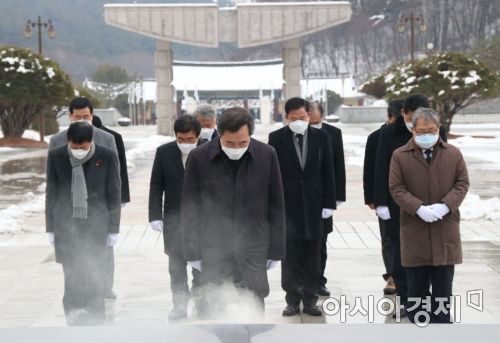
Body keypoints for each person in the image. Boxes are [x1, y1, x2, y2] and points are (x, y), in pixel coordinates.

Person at [181, 107, 286, 318]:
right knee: (214, 309)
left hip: (253, 249)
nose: (236, 148)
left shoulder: (267, 155)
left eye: (242, 143)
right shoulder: (199, 158)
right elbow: (189, 208)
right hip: (214, 249)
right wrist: (192, 252)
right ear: (219, 134)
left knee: (252, 308)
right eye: (230, 143)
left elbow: (276, 205)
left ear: (250, 135)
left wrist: (276, 249)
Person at [389, 108, 469, 324]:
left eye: (432, 130)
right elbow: (396, 188)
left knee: (443, 295)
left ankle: (442, 330)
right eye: (422, 131)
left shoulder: (453, 153)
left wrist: (446, 206)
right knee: (417, 295)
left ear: (438, 129)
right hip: (415, 230)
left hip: (445, 230)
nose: (427, 135)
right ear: (413, 130)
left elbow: (462, 183)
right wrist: (418, 208)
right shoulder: (400, 156)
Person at [374, 94, 447, 317]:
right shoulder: (388, 133)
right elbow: (380, 168)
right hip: (399, 203)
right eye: (411, 116)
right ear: (404, 114)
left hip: (431, 203)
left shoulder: (437, 134)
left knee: (429, 255)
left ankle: (430, 301)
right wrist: (380, 201)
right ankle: (406, 299)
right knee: (399, 253)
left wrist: (442, 203)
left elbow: (445, 165)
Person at [45, 122, 121, 326]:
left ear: (91, 142)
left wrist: (113, 228)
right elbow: (51, 193)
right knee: (72, 276)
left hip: (97, 225)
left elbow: (114, 193)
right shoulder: (56, 155)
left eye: (83, 147)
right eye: (75, 147)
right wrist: (50, 228)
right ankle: (73, 318)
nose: (78, 151)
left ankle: (96, 319)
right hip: (66, 226)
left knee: (94, 274)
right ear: (68, 141)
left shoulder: (106, 156)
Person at [268, 97, 336, 317]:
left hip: (315, 205)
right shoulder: (276, 138)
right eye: (294, 118)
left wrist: (329, 203)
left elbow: (329, 171)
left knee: (313, 256)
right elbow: (272, 173)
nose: (299, 121)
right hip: (288, 206)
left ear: (309, 115)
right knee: (290, 256)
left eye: (303, 117)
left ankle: (310, 300)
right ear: (286, 117)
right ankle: (292, 299)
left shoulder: (322, 137)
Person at [148, 115, 205, 321]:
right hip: (174, 219)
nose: (185, 143)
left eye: (190, 139)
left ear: (198, 136)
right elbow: (156, 185)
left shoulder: (209, 150)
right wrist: (155, 215)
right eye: (181, 139)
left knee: (201, 268)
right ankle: (180, 306)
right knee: (176, 267)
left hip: (202, 221)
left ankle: (201, 303)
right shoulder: (164, 152)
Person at [363, 99, 403, 295]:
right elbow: (370, 169)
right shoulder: (376, 137)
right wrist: (372, 198)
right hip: (385, 197)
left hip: (408, 198)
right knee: (388, 239)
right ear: (389, 117)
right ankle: (392, 277)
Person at [308, 101, 346, 297]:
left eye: (316, 122)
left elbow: (338, 165)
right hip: (302, 199)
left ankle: (319, 280)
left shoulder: (333, 134)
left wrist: (336, 197)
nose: (312, 126)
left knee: (321, 243)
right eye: (310, 122)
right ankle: (302, 283)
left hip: (324, 197)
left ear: (321, 117)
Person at [92, 115, 130, 300]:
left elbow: (120, 167)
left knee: (106, 247)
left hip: (105, 200)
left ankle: (106, 285)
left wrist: (122, 197)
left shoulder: (111, 137)